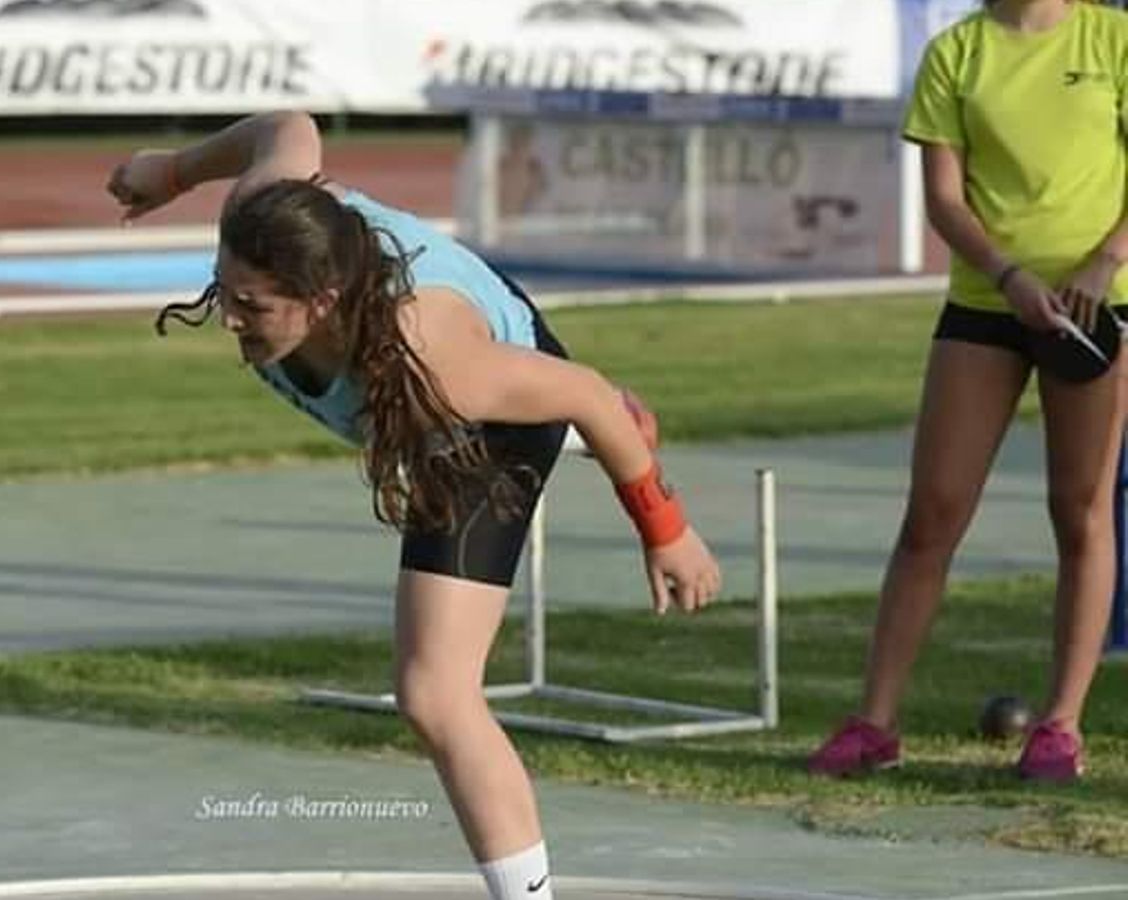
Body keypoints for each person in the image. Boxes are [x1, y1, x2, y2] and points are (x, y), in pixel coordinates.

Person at [106, 111, 721, 900]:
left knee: (436, 694)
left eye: (250, 306)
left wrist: (665, 529)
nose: (226, 317)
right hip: (432, 386)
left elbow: (586, 391)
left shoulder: (437, 365)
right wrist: (174, 170)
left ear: (322, 300)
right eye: (223, 290)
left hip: (481, 424)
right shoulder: (266, 209)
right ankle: (579, 431)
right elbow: (289, 127)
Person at [809, 0, 1128, 783]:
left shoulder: (1114, 37)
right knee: (933, 513)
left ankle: (1060, 728)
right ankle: (875, 724)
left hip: (1094, 306)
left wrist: (1103, 263)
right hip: (987, 305)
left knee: (1081, 511)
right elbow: (945, 201)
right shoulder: (956, 52)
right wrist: (1008, 277)